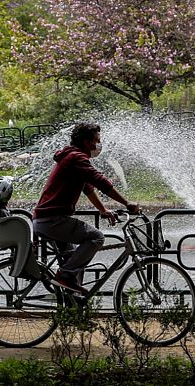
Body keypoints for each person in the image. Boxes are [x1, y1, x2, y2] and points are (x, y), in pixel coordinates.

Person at [32, 122, 140, 295]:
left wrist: (103, 210)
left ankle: (72, 306)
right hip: (53, 220)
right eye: (96, 141)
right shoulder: (77, 158)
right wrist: (127, 204)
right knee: (96, 238)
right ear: (85, 141)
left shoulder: (72, 158)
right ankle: (64, 275)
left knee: (73, 259)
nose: (98, 145)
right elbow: (100, 182)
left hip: (45, 220)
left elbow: (87, 188)